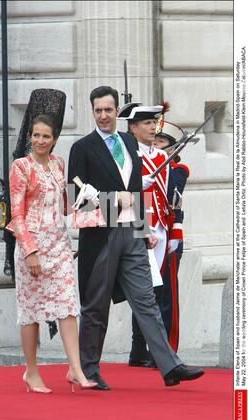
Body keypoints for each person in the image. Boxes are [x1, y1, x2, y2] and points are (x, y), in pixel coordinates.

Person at [68, 85, 204, 389]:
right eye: (98, 110)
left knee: (146, 301)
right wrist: (113, 198)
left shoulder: (129, 143)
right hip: (100, 236)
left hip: (132, 233)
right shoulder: (83, 147)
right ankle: (88, 370)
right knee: (96, 307)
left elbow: (135, 193)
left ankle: (170, 366)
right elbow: (74, 194)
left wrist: (144, 231)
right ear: (93, 112)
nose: (103, 115)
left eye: (108, 110)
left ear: (117, 111)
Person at [5, 113, 97, 394]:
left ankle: (76, 370)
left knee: (68, 307)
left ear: (55, 139)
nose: (40, 141)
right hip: (32, 248)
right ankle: (31, 373)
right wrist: (30, 251)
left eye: (46, 136)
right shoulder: (21, 167)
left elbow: (67, 208)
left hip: (59, 246)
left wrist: (95, 208)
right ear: (29, 137)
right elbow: (16, 214)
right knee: (31, 312)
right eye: (36, 135)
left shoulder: (59, 164)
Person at [118, 103, 183, 367]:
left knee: (156, 291)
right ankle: (138, 348)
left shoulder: (160, 158)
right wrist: (143, 230)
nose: (152, 127)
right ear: (133, 128)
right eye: (146, 123)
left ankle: (150, 352)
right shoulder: (126, 155)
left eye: (153, 123)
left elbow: (168, 198)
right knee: (142, 291)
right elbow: (123, 198)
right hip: (139, 227)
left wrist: (172, 231)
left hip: (161, 229)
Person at [154, 120, 190, 352]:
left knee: (167, 294)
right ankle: (144, 348)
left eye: (162, 142)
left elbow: (170, 195)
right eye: (154, 140)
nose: (157, 145)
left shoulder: (178, 170)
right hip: (147, 234)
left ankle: (169, 347)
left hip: (169, 236)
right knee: (148, 293)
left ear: (172, 147)